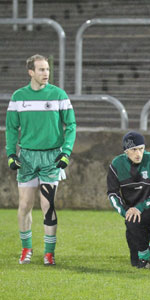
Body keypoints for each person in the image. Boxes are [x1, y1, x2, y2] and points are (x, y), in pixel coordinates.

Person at [5, 54, 76, 266]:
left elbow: (71, 126)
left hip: (51, 158)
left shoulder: (58, 95)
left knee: (48, 205)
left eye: (47, 69)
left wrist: (66, 152)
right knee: (25, 204)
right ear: (31, 72)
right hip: (26, 157)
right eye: (41, 70)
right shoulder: (18, 97)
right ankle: (26, 248)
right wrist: (11, 154)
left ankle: (48, 252)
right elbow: (11, 128)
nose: (46, 73)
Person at [107, 132, 150, 269]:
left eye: (141, 149)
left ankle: (144, 259)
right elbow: (112, 193)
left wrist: (141, 207)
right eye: (134, 150)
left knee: (134, 222)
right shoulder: (116, 165)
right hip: (133, 211)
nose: (138, 154)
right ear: (125, 151)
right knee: (133, 260)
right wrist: (125, 211)